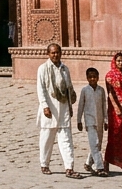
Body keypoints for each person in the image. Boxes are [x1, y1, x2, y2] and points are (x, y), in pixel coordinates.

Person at [36, 43, 81, 179]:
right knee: (47, 138)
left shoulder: (65, 69)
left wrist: (70, 106)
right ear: (48, 54)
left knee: (66, 138)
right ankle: (44, 164)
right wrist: (44, 106)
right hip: (49, 107)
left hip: (63, 108)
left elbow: (68, 89)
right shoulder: (43, 69)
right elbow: (41, 88)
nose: (55, 55)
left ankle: (69, 167)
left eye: (57, 52)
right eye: (52, 53)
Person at [76, 66, 108, 177]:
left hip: (99, 120)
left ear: (98, 78)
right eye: (90, 77)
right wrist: (79, 120)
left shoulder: (101, 90)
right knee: (94, 143)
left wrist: (105, 120)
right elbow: (81, 106)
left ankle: (88, 163)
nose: (93, 79)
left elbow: (104, 106)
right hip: (89, 121)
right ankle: (100, 167)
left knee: (97, 144)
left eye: (94, 77)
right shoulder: (85, 90)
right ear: (87, 78)